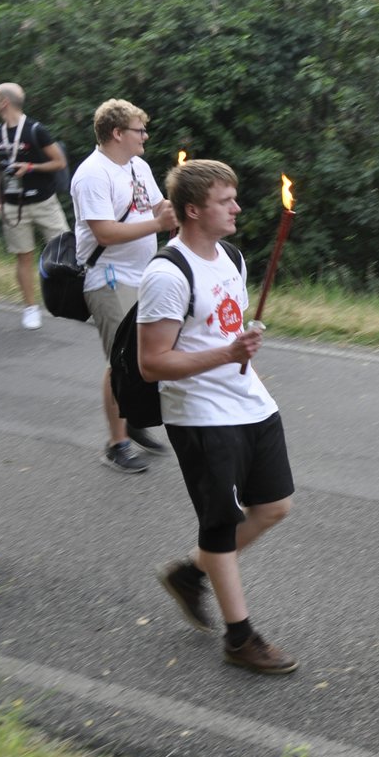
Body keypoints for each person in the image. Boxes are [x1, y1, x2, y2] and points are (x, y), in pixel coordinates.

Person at [143, 160, 298, 674]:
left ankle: (191, 572)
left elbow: (224, 331)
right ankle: (240, 638)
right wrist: (227, 355)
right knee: (221, 522)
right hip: (200, 413)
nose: (236, 208)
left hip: (249, 401)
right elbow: (153, 363)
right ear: (193, 210)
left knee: (275, 506)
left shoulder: (232, 257)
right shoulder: (167, 274)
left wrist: (241, 349)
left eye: (234, 198)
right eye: (225, 201)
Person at [71, 99, 178, 473]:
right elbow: (105, 232)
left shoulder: (137, 166)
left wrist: (178, 209)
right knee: (122, 362)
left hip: (143, 275)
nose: (145, 136)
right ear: (118, 133)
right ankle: (116, 445)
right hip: (108, 278)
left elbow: (154, 207)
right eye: (139, 130)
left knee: (144, 357)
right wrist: (158, 225)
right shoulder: (92, 174)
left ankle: (132, 423)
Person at [0, 83, 69, 331]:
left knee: (66, 251)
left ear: (5, 102)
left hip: (44, 202)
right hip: (13, 206)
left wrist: (31, 167)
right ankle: (31, 309)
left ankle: (74, 300)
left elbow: (59, 162)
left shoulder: (35, 129)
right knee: (24, 258)